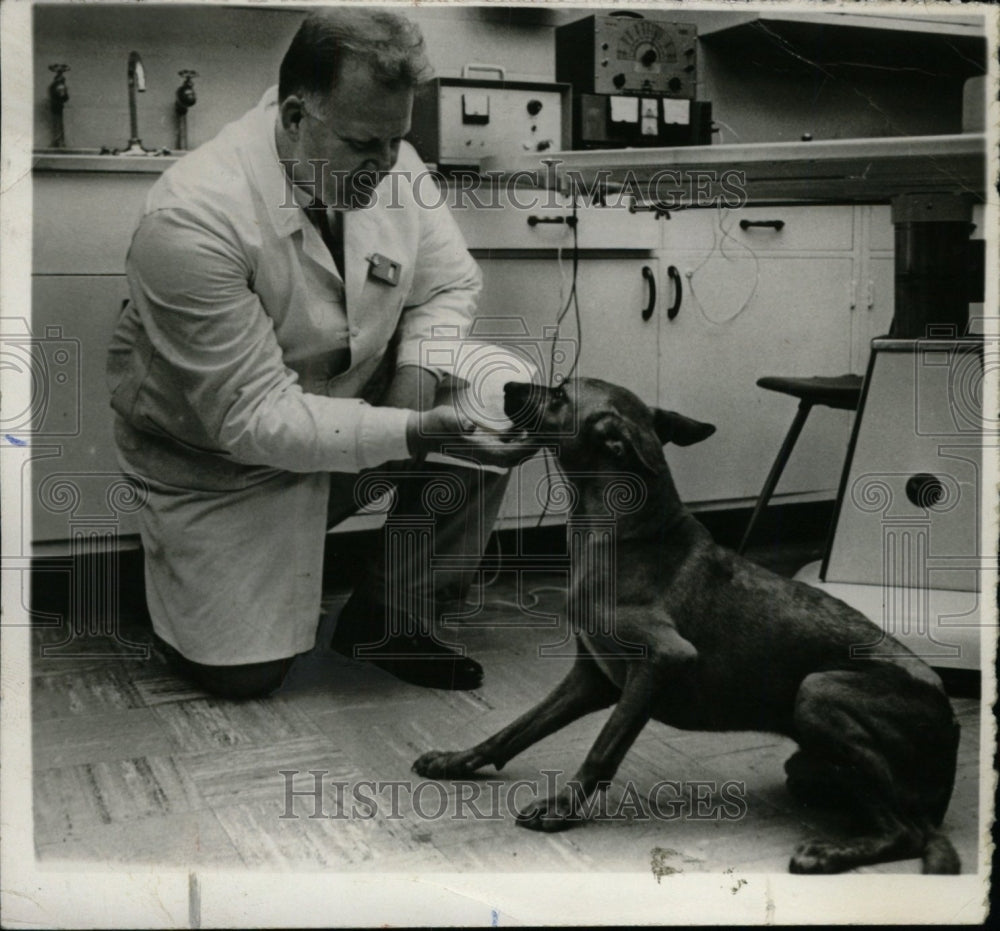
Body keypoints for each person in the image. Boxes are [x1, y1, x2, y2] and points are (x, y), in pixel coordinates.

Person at [107, 8, 531, 699]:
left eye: (398, 139)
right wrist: (408, 430)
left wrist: (418, 382)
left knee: (491, 393)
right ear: (298, 116)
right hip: (220, 458)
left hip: (340, 402)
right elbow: (253, 417)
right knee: (244, 676)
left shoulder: (388, 155)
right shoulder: (193, 217)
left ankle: (388, 615)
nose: (388, 164)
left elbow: (450, 281)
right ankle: (171, 576)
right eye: (367, 144)